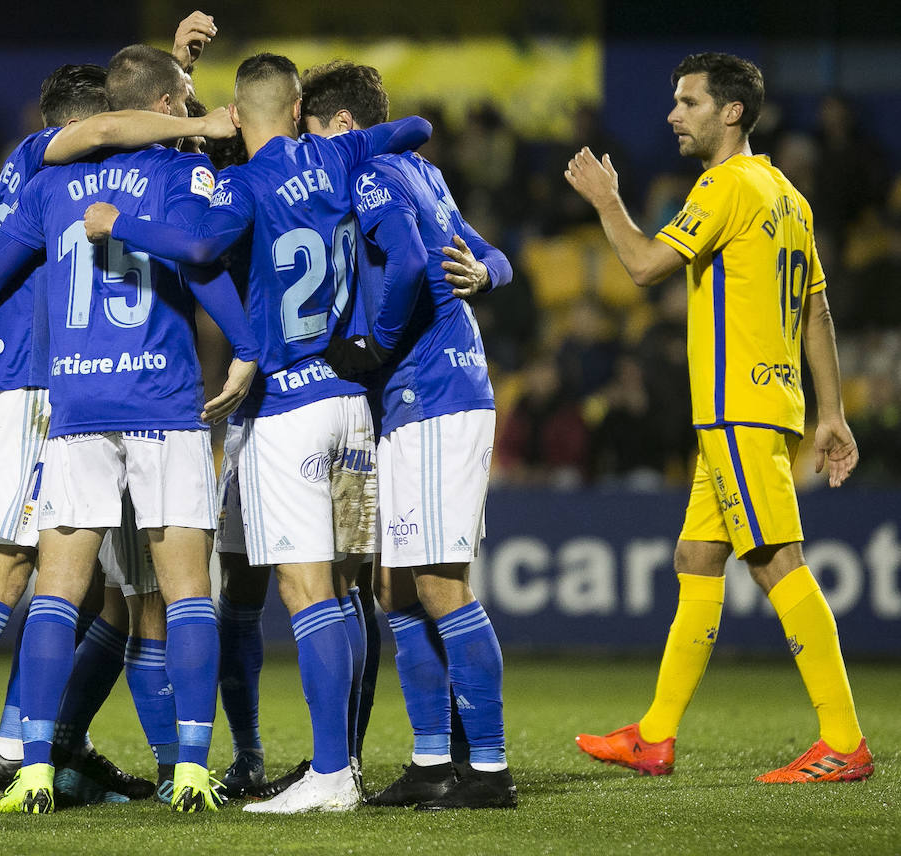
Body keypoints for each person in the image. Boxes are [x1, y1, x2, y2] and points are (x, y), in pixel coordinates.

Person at [84, 53, 431, 813]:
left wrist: (120, 224)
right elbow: (417, 126)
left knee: (304, 590)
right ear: (302, 102)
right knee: (346, 587)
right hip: (352, 408)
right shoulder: (340, 151)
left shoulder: (242, 185)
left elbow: (201, 248)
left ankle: (331, 774)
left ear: (235, 117)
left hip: (289, 409)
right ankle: (344, 763)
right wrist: (367, 139)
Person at [0, 53, 240, 810]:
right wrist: (204, 119)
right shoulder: (46, 156)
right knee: (14, 573)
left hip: (74, 394)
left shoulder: (52, 184)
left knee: (110, 594)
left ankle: (49, 743)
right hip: (33, 388)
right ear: (82, 129)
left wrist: (177, 65)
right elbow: (125, 123)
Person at [564, 52, 872, 783]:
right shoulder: (785, 194)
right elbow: (816, 310)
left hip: (740, 411)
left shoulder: (726, 186)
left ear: (730, 112)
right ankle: (656, 735)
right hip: (756, 412)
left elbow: (642, 266)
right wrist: (830, 413)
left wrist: (607, 199)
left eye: (689, 102)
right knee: (697, 560)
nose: (673, 114)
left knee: (775, 563)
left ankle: (844, 742)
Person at [305, 60, 518, 810]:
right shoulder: (423, 172)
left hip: (432, 393)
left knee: (438, 585)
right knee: (396, 588)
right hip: (428, 396)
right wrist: (487, 277)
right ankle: (432, 761)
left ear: (341, 127)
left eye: (314, 134)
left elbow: (410, 263)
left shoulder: (372, 174)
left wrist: (377, 345)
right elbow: (496, 257)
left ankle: (487, 771)